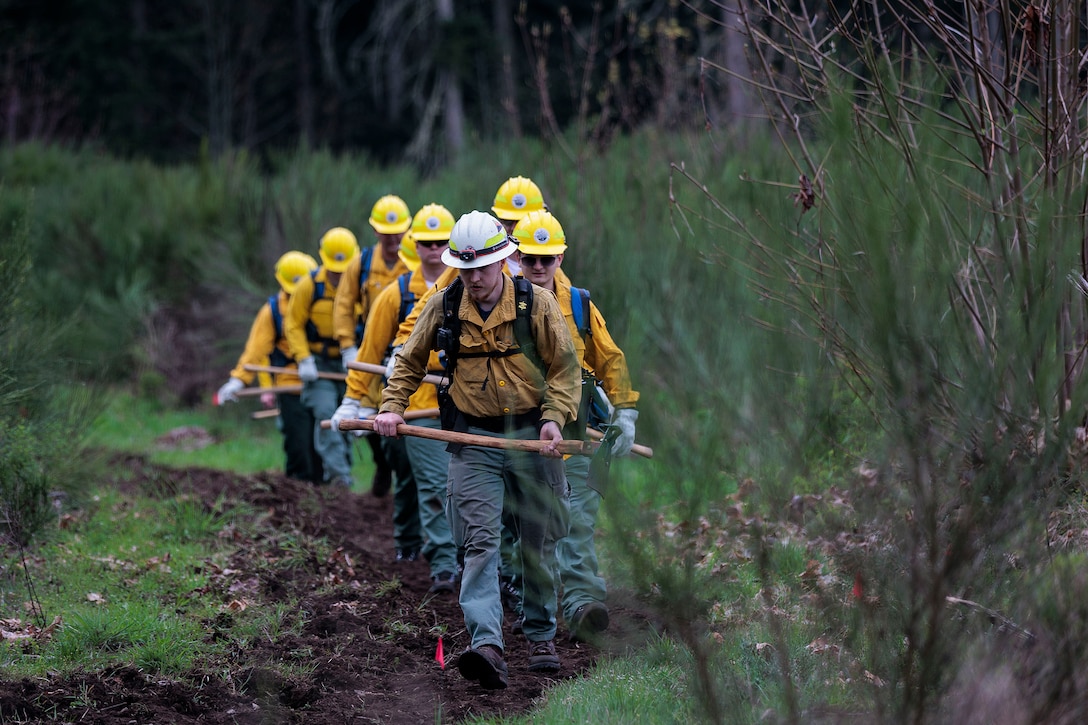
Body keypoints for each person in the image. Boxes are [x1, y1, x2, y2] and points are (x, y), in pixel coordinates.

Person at [373, 210, 581, 689]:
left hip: (531, 437)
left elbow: (566, 368)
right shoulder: (445, 303)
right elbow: (407, 358)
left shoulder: (538, 303)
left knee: (538, 538)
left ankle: (541, 634)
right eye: (465, 270)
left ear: (503, 260)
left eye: (483, 269)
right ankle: (486, 643)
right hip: (473, 440)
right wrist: (392, 407)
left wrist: (553, 420)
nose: (475, 279)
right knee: (478, 543)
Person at [512, 210, 640, 642]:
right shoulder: (501, 303)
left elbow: (611, 359)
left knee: (578, 523)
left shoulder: (581, 304)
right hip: (524, 438)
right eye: (531, 258)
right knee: (533, 528)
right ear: (518, 257)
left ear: (561, 256)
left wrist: (624, 412)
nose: (539, 267)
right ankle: (527, 604)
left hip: (579, 435)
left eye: (548, 258)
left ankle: (583, 603)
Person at [332, 205, 460, 592]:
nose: (434, 250)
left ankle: (471, 559)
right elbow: (370, 351)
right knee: (427, 482)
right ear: (414, 245)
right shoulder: (396, 294)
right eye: (426, 243)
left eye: (441, 242)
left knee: (459, 486)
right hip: (416, 405)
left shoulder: (474, 284)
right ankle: (439, 562)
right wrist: (354, 398)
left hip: (467, 404)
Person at [217, 251, 323, 484]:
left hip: (324, 386)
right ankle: (298, 499)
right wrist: (239, 379)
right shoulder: (272, 311)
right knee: (299, 450)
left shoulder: (324, 304)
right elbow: (255, 351)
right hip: (290, 391)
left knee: (323, 452)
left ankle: (329, 501)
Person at [332, 195, 412, 496]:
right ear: (375, 231)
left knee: (397, 410)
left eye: (398, 231)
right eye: (386, 231)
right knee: (368, 410)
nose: (392, 238)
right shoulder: (361, 263)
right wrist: (347, 346)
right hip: (371, 349)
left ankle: (397, 468)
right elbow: (343, 304)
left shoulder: (413, 260)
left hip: (406, 351)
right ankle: (383, 463)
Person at [284, 227, 360, 488]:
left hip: (351, 363)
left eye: (344, 269)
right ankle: (340, 477)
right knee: (326, 413)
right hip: (318, 365)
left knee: (347, 418)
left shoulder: (362, 285)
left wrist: (361, 356)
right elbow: (293, 324)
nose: (339, 275)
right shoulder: (310, 285)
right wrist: (303, 359)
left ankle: (341, 471)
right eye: (334, 269)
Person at [491, 176, 546, 278]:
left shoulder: (549, 267)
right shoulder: (484, 261)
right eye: (508, 221)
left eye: (523, 222)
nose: (514, 228)